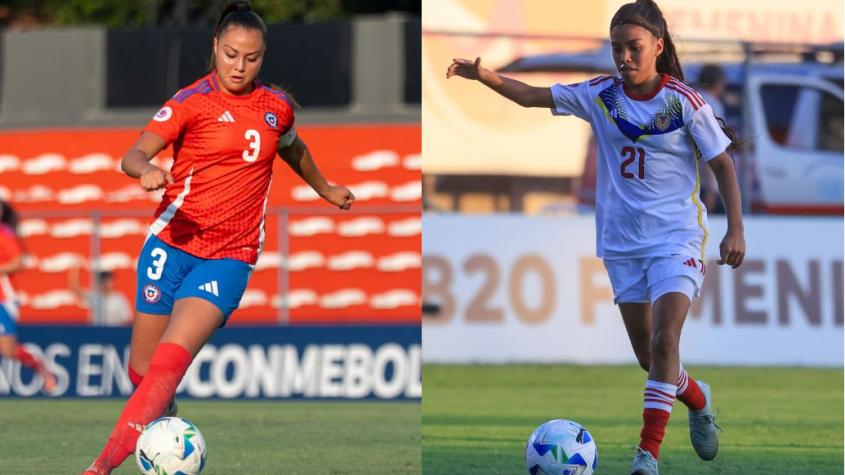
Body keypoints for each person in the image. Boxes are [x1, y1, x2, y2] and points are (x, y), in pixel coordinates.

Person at [447, 1, 745, 474]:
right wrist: (485, 77)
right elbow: (531, 96)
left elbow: (723, 164)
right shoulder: (600, 95)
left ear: (658, 47)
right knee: (651, 357)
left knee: (667, 340)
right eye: (617, 48)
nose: (624, 57)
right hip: (621, 246)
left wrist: (736, 227)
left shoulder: (684, 102)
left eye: (634, 47)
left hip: (676, 240)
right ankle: (696, 395)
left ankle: (647, 456)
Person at [82, 2, 355, 473]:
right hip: (169, 246)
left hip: (229, 257)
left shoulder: (276, 107)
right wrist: (146, 170)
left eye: (251, 57)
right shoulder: (192, 100)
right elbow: (134, 153)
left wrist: (326, 188)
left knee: (167, 367)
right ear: (215, 48)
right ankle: (163, 427)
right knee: (143, 374)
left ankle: (100, 467)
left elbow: (295, 149)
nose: (239, 66)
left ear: (263, 55)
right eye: (231, 54)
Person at [0, 200, 57, 393]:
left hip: (3, 299)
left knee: (7, 350)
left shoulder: (5, 234)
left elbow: (19, 262)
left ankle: (39, 365)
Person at [696, 64, 727, 213]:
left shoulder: (690, 98)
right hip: (704, 181)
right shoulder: (713, 105)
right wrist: (711, 188)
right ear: (719, 82)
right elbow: (711, 149)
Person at [69, 266, 133, 326]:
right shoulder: (95, 296)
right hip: (96, 333)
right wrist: (74, 271)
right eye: (103, 281)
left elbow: (127, 319)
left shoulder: (120, 299)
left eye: (108, 280)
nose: (106, 283)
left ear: (113, 282)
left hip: (114, 333)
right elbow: (76, 290)